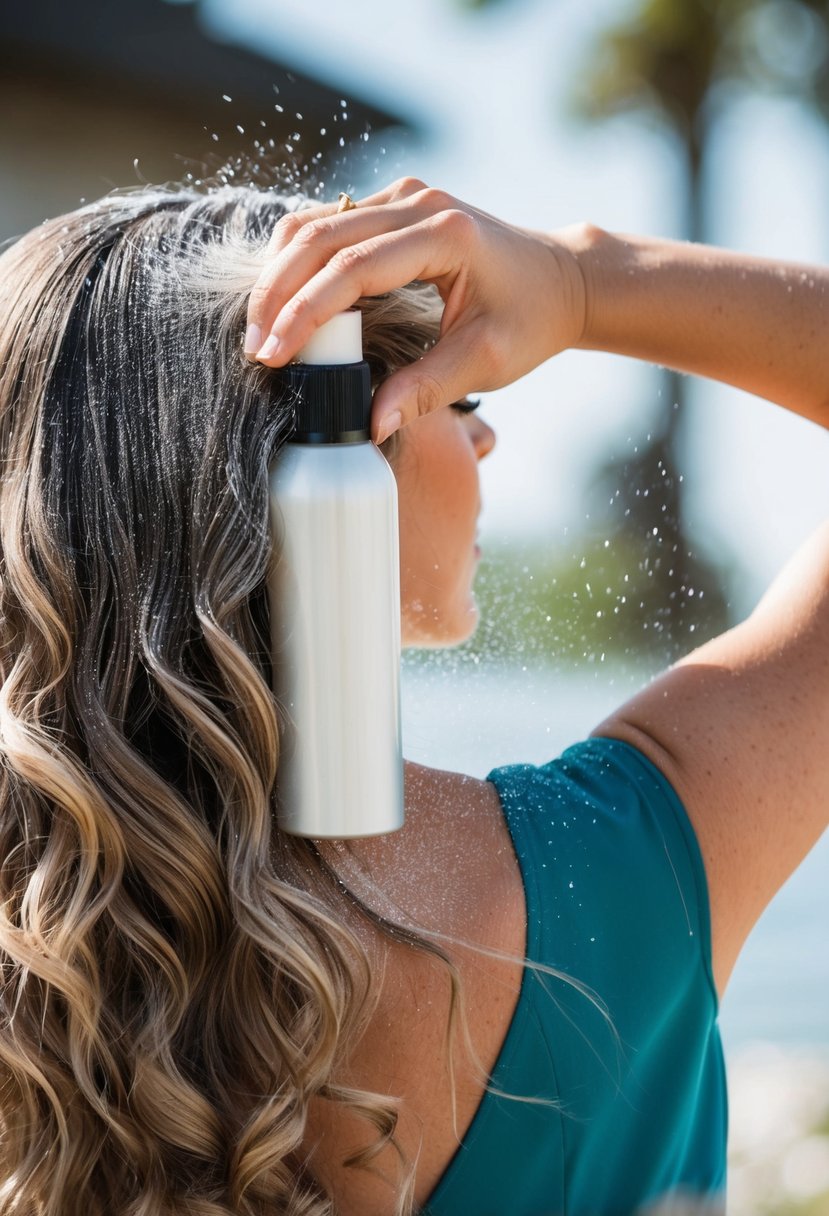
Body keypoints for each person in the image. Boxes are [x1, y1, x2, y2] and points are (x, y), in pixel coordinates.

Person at [0, 176, 824, 1216]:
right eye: (464, 394)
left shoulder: (33, 951)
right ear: (325, 453)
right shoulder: (615, 870)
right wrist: (577, 281)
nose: (485, 439)